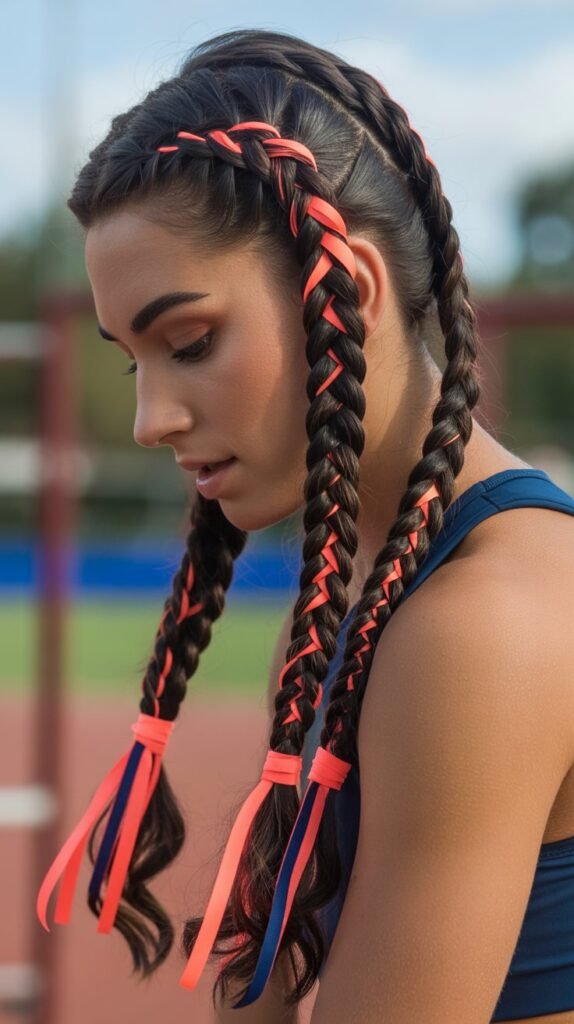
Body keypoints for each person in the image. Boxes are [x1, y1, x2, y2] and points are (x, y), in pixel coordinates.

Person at [36, 28, 574, 1024]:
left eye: (190, 341)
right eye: (131, 360)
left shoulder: (483, 620)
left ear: (350, 291)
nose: (153, 417)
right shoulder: (356, 600)